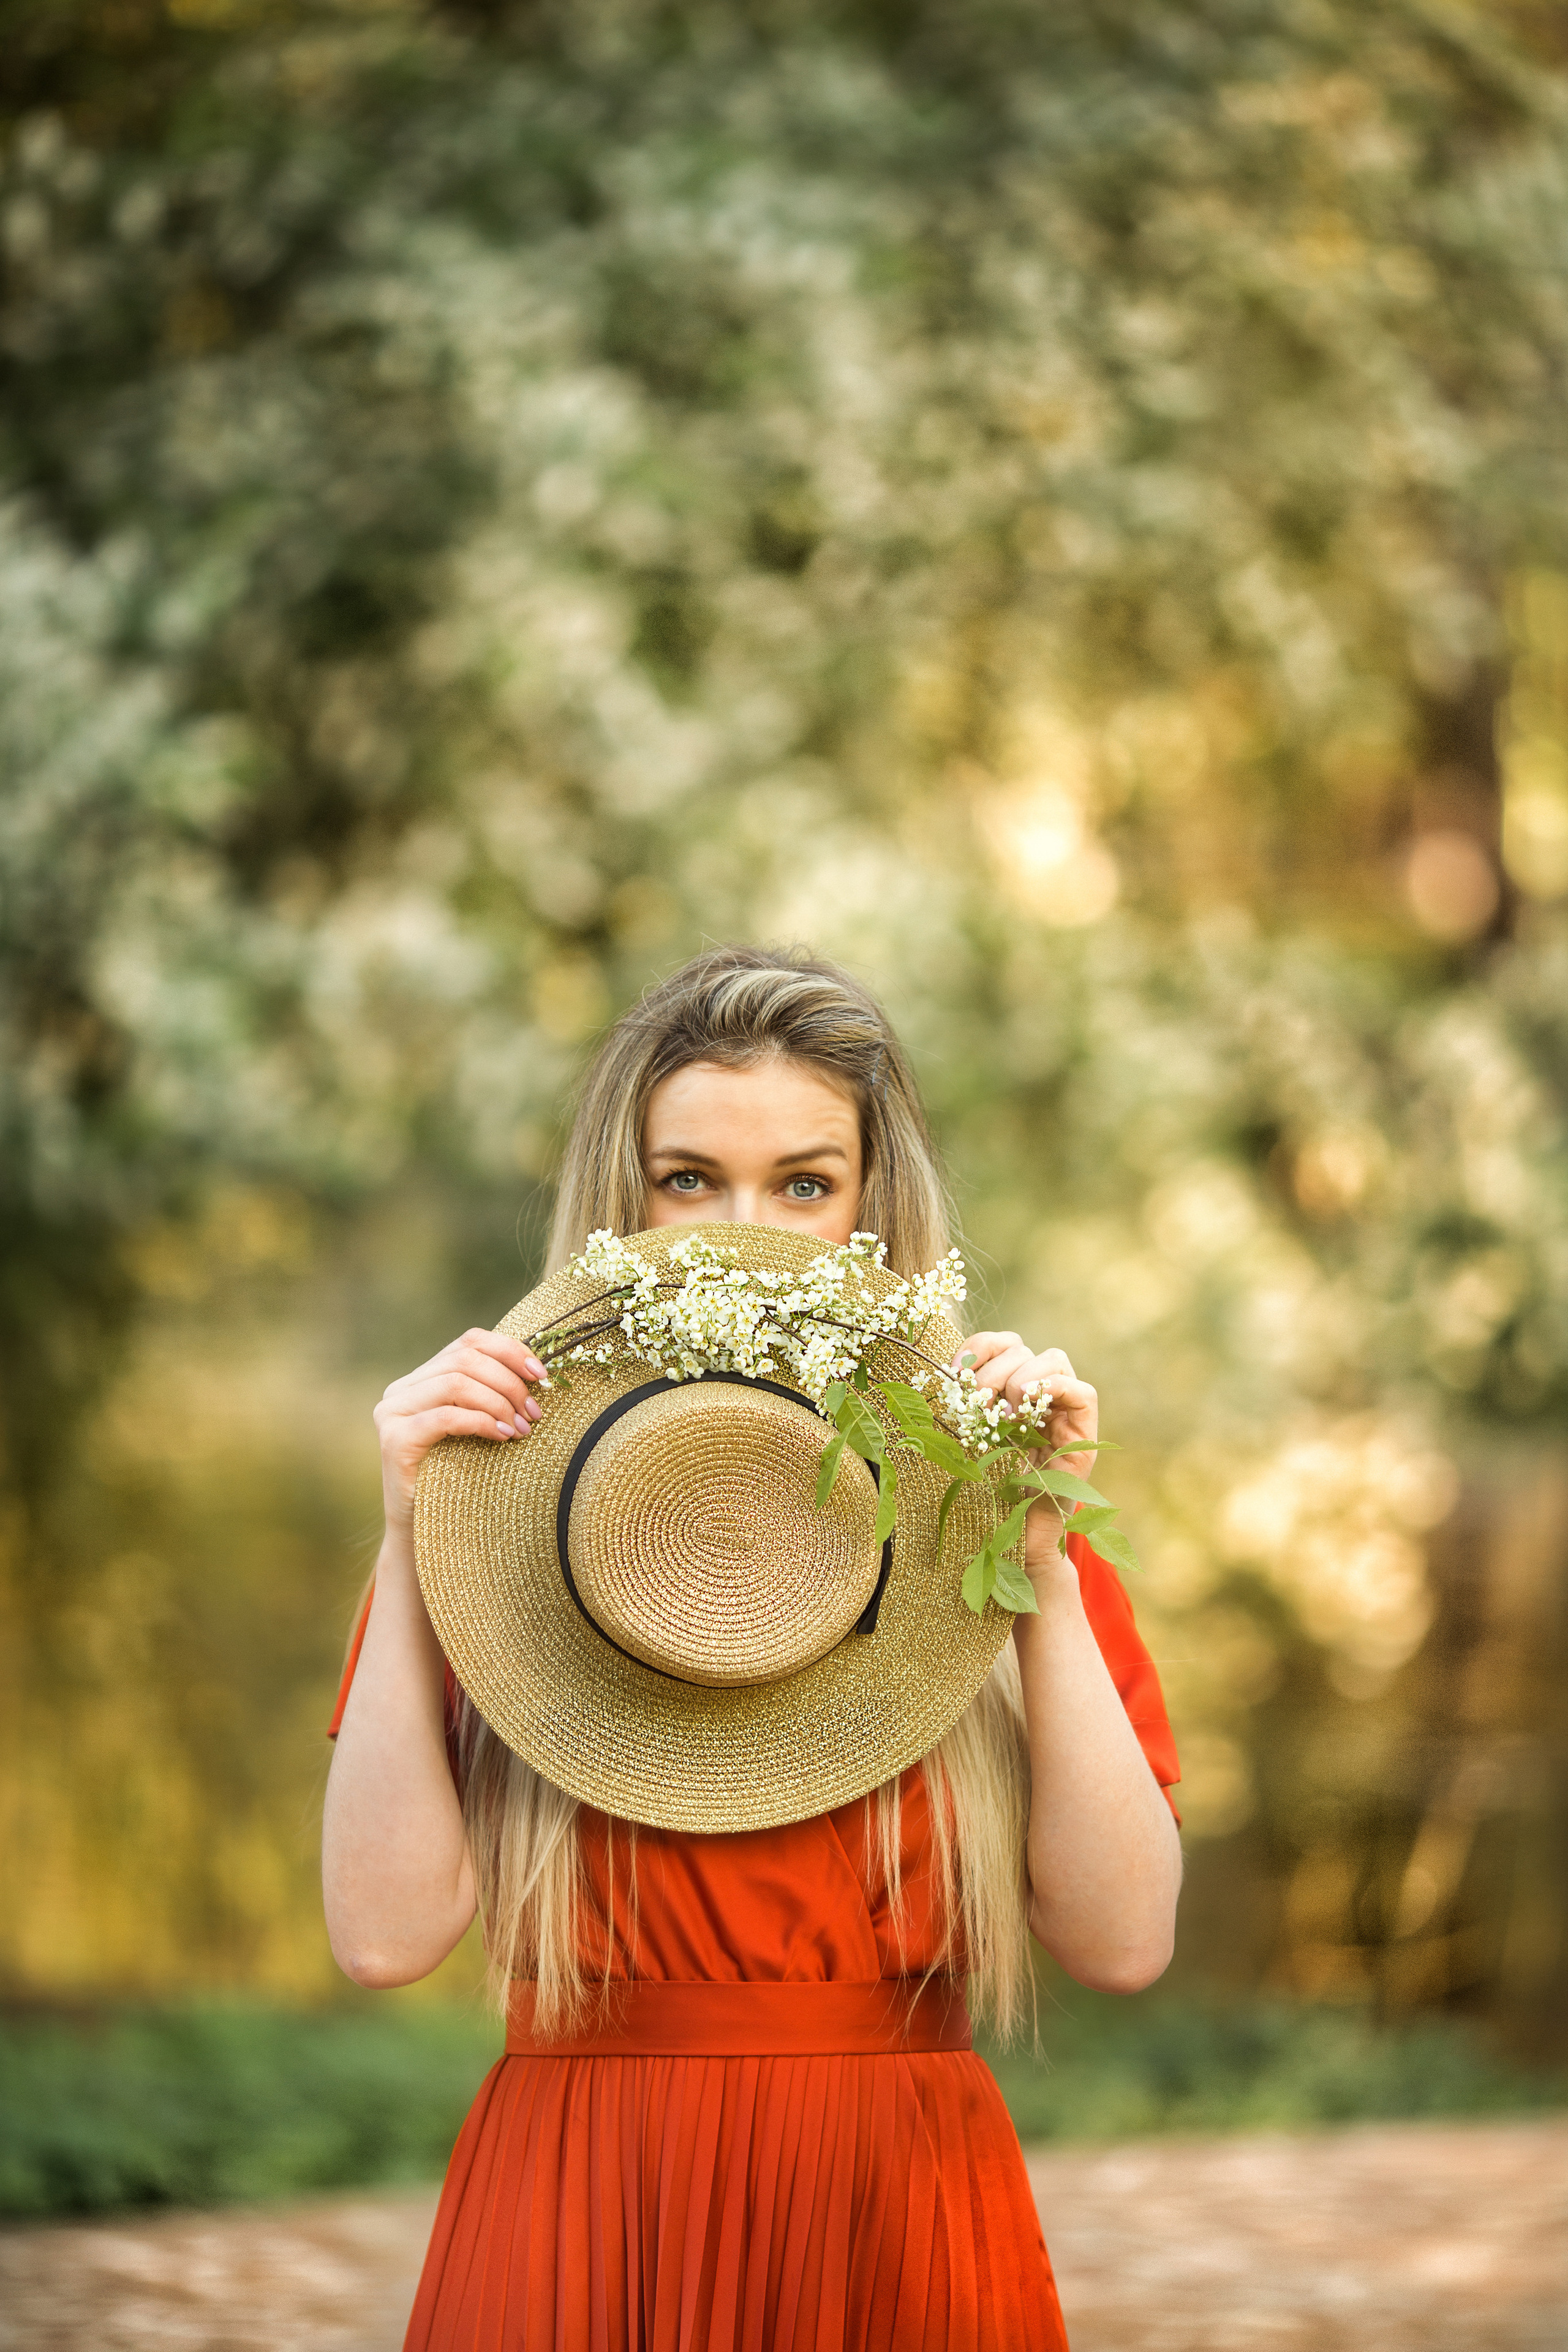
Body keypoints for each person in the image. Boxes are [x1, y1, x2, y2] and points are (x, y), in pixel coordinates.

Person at [323, 944, 1182, 2351]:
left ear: (867, 1206)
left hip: (898, 2217)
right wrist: (406, 1535)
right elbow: (381, 1937)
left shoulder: (986, 1502)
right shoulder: (490, 1514)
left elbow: (1123, 1941)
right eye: (686, 1179)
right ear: (624, 1200)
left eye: (802, 1181)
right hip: (584, 2216)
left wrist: (1039, 1557)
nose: (749, 1227)